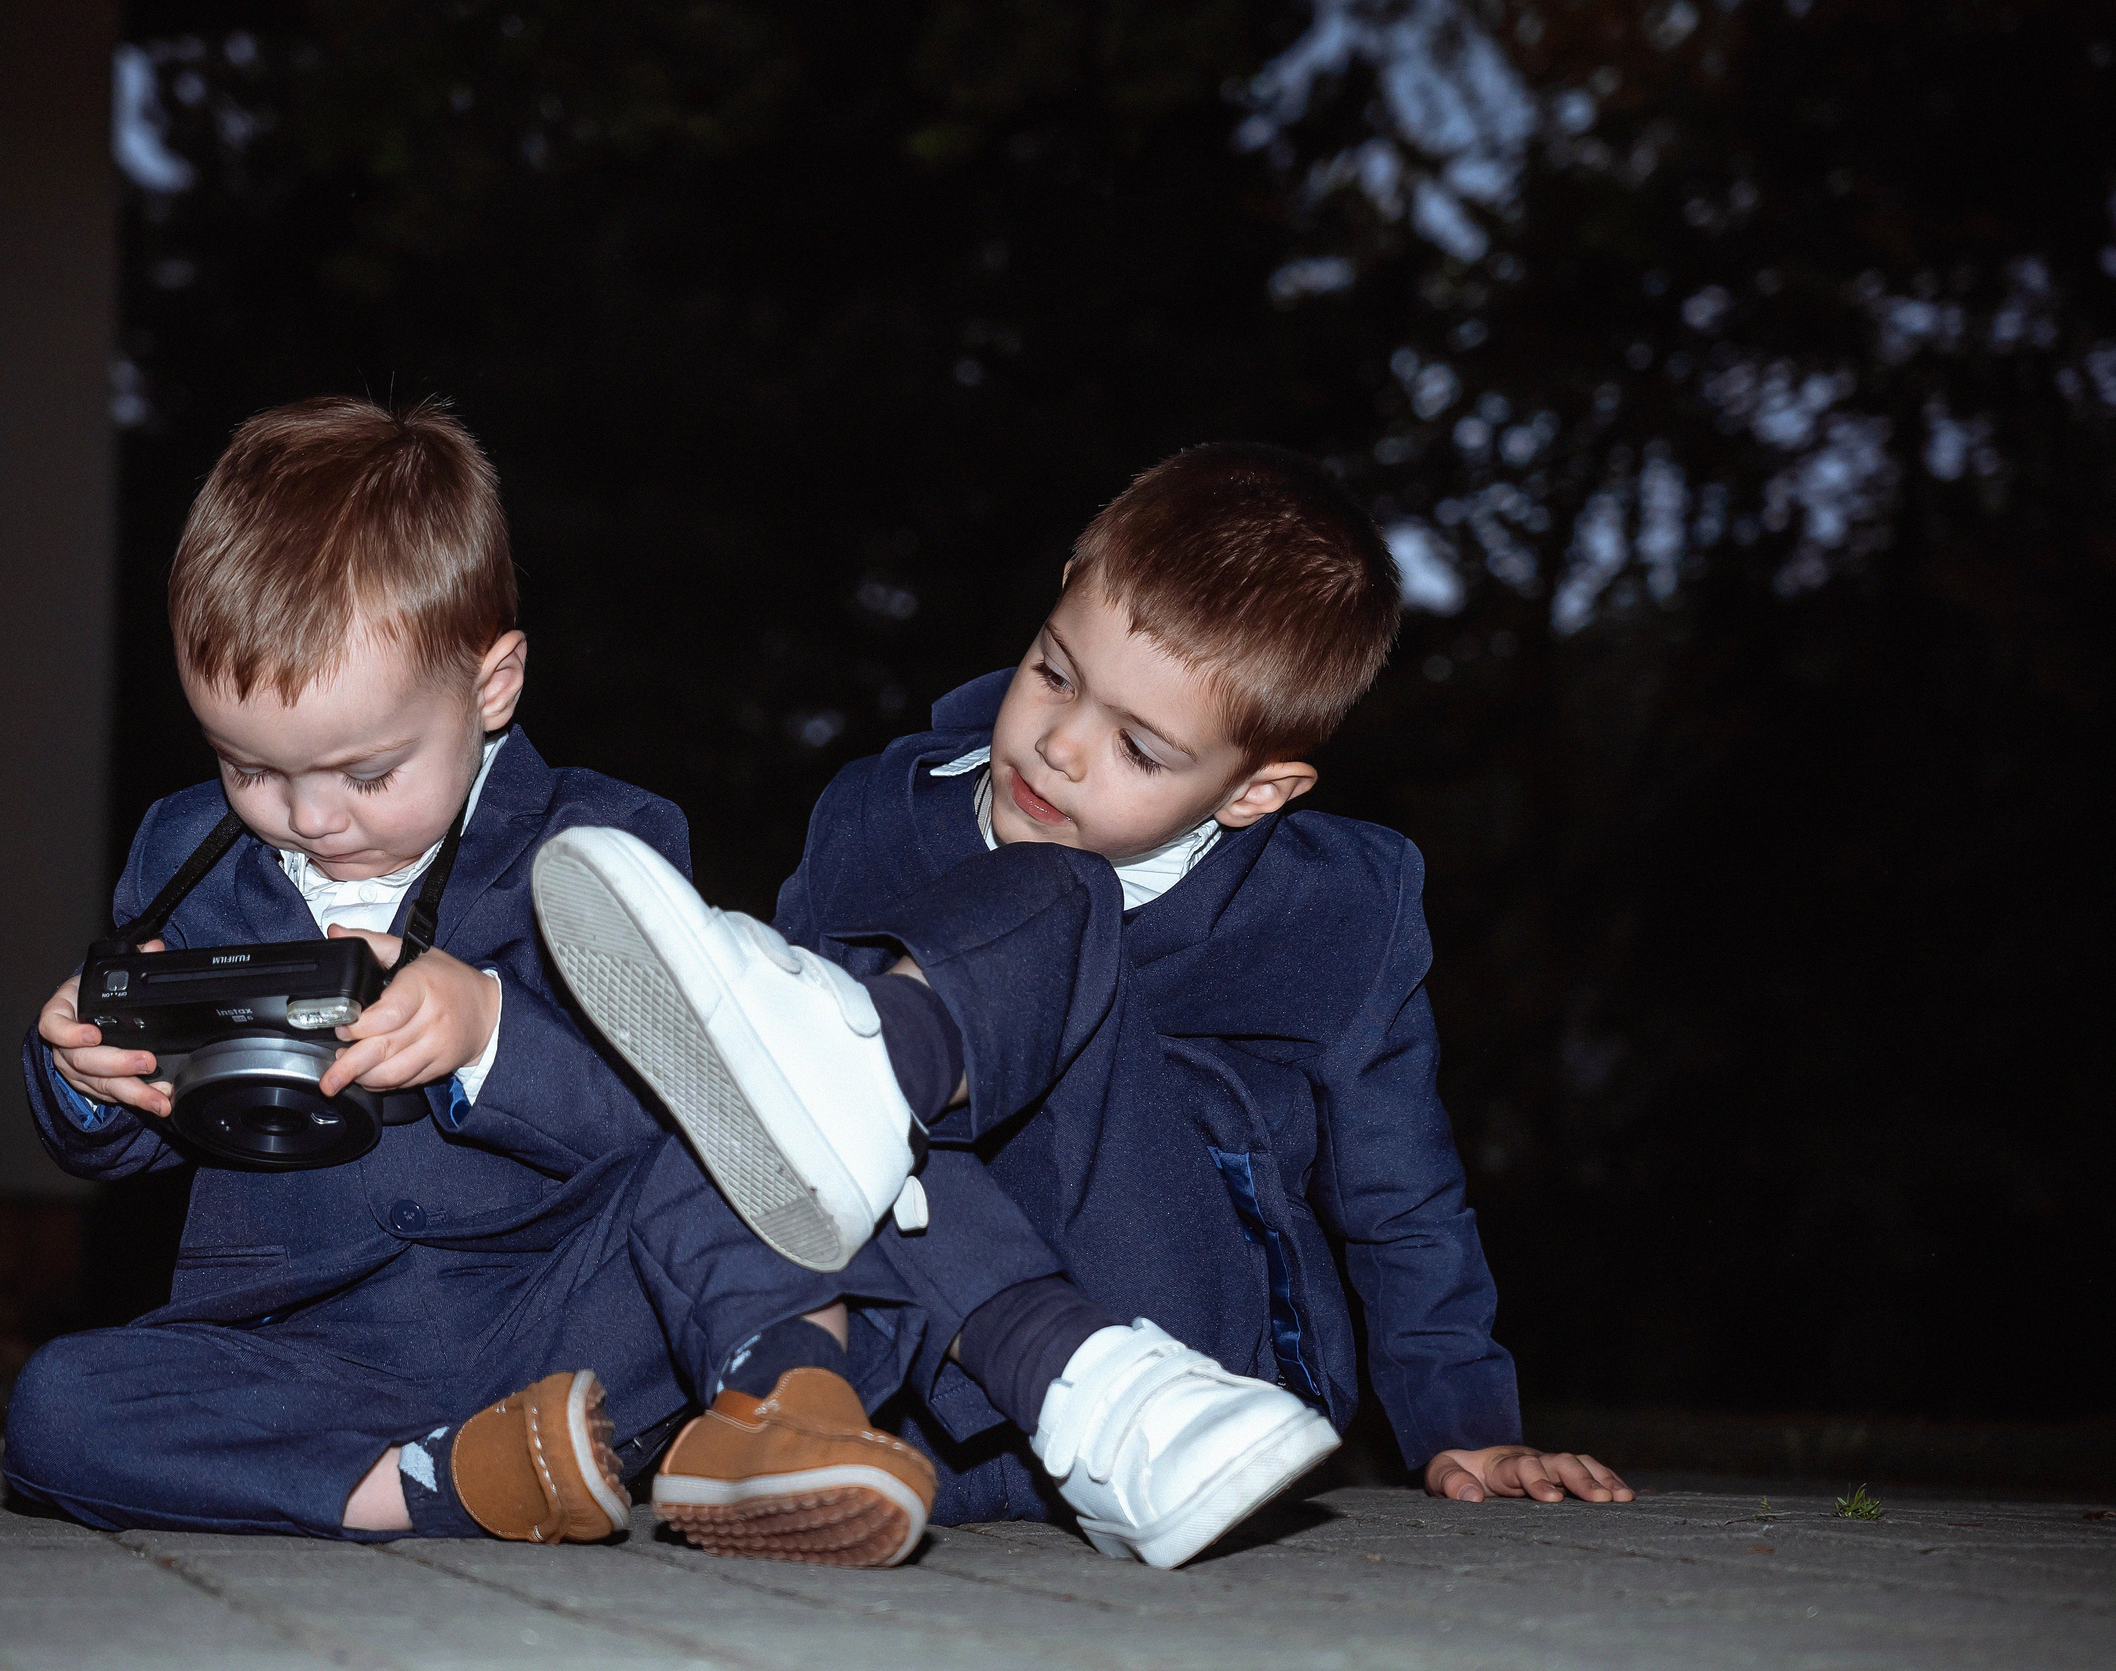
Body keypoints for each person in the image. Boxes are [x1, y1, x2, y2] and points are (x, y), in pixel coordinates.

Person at [532, 444, 1633, 1570]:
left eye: (1138, 748)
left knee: (1053, 898)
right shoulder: (876, 815)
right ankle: (743, 1424)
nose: (1060, 749)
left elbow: (1401, 1193)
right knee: (739, 1123)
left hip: (1184, 1337)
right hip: (949, 1342)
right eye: (1056, 674)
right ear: (1059, 593)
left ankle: (884, 1094)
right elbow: (761, 1145)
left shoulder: (1336, 914)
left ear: (1254, 790)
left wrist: (1464, 1426)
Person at [0, 397, 953, 1566]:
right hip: (292, 1351)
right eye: (248, 766)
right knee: (59, 1406)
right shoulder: (182, 855)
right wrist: (89, 1079)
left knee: (757, 1148)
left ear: (492, 685)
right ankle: (434, 1486)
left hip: (558, 1313)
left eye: (366, 771)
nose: (306, 817)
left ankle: (779, 1412)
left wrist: (492, 1029)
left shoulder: (596, 839)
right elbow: (139, 1138)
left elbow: (672, 1116)